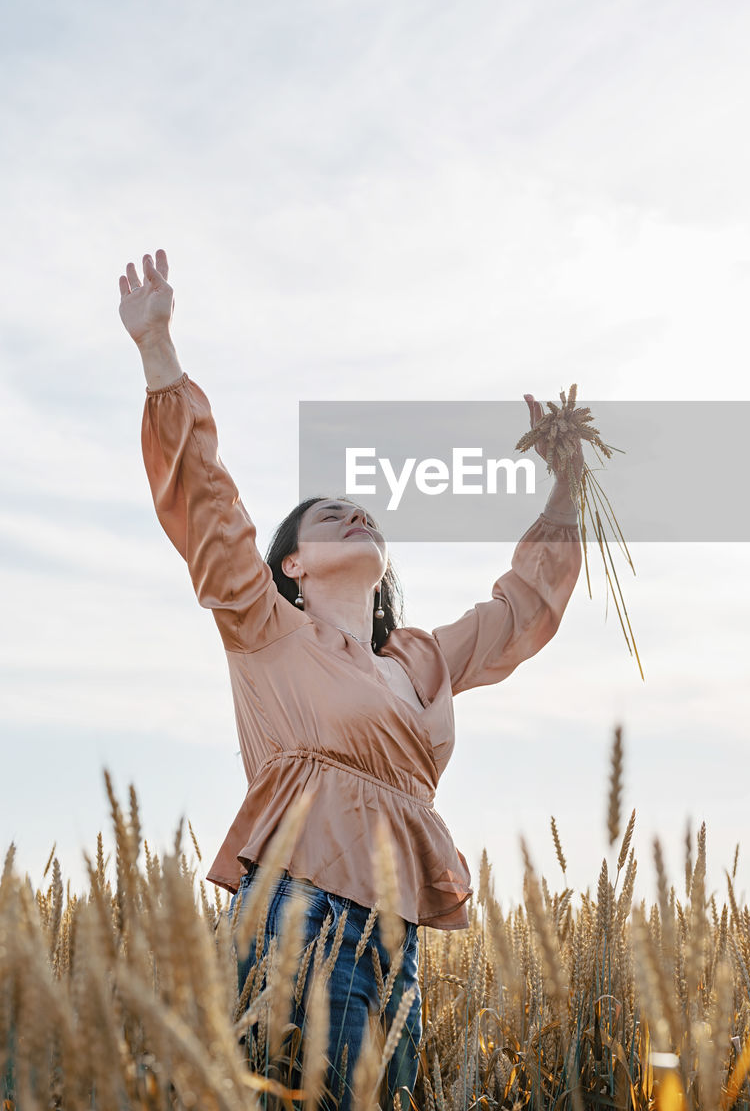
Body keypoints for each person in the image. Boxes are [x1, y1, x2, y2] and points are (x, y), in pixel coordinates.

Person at [118, 249, 584, 1109]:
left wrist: (566, 490)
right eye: (331, 515)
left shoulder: (421, 659)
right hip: (298, 909)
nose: (356, 513)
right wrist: (158, 352)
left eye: (365, 511)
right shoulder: (264, 628)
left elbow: (523, 612)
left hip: (393, 933)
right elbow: (208, 508)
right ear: (293, 562)